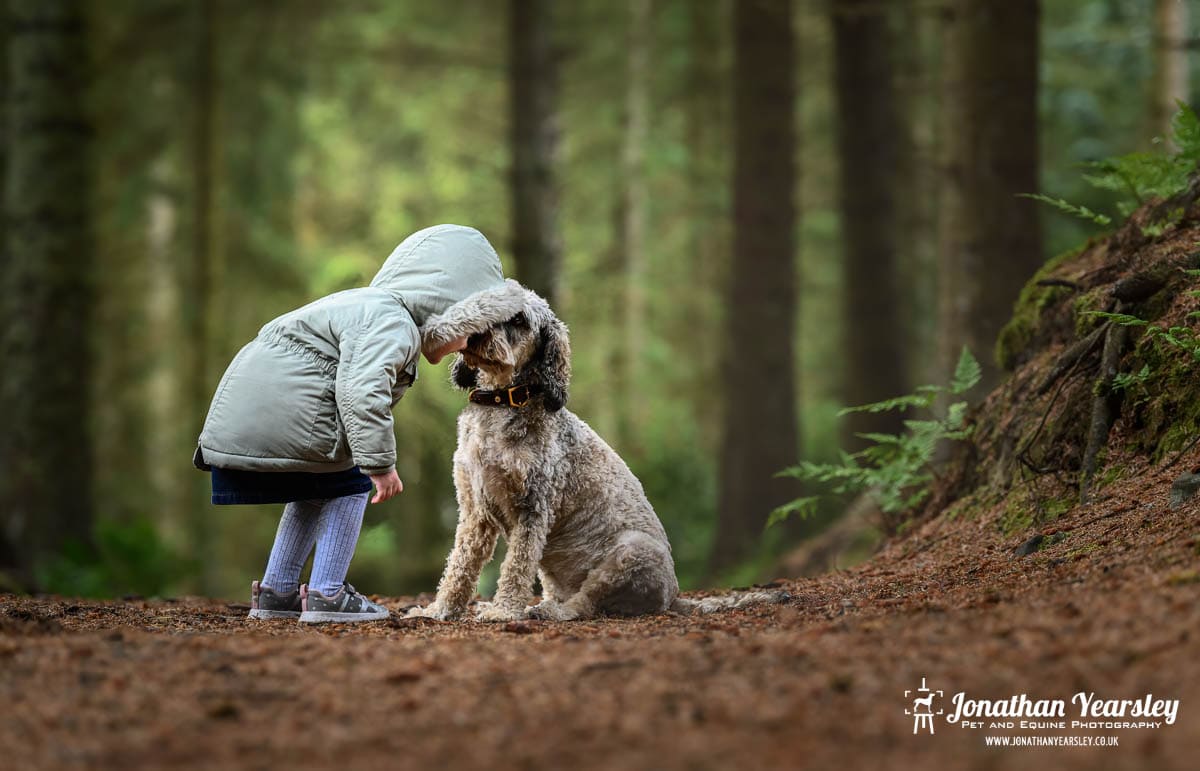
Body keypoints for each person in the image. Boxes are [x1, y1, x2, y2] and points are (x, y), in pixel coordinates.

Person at [194, 224, 525, 623]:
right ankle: (327, 595)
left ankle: (277, 592)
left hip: (250, 415)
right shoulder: (392, 321)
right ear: (448, 312)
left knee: (316, 489)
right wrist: (380, 465)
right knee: (351, 483)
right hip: (281, 415)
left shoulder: (374, 309)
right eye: (471, 331)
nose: (470, 345)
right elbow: (362, 391)